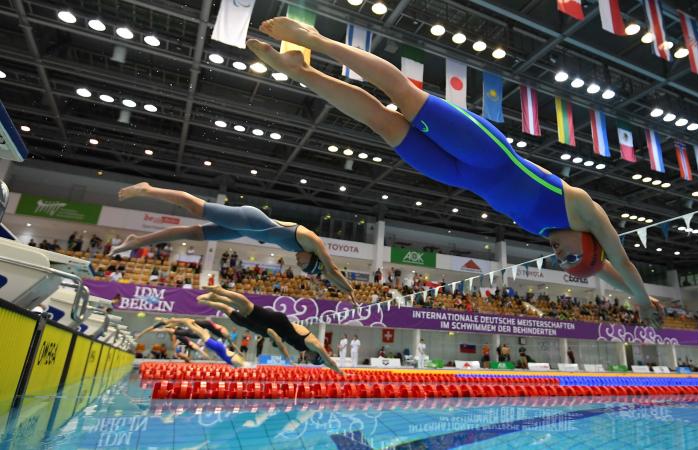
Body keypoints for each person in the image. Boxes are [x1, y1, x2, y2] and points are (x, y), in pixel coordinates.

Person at [246, 17, 661, 311]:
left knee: (382, 122)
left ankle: (301, 72)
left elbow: (599, 268)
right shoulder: (580, 206)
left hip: (459, 175)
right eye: (569, 258)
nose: (558, 258)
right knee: (402, 93)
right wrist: (642, 302)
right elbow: (617, 262)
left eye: (562, 265)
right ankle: (316, 40)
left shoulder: (549, 229)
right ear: (588, 244)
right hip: (485, 152)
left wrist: (629, 290)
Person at [111, 182, 356, 301]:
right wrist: (352, 290)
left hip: (244, 231)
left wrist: (346, 292)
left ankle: (136, 241)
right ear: (311, 258)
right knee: (197, 208)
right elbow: (331, 268)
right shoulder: (310, 240)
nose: (298, 263)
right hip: (249, 219)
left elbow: (327, 274)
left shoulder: (304, 252)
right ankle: (148, 189)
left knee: (192, 233)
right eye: (303, 265)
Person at [196, 286, 345, 375]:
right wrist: (340, 372)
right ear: (316, 355)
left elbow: (284, 344)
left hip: (278, 325)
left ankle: (216, 296)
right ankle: (220, 291)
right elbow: (329, 360)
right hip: (277, 323)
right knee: (248, 307)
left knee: (244, 310)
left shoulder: (306, 348)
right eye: (312, 359)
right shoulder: (313, 343)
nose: (308, 360)